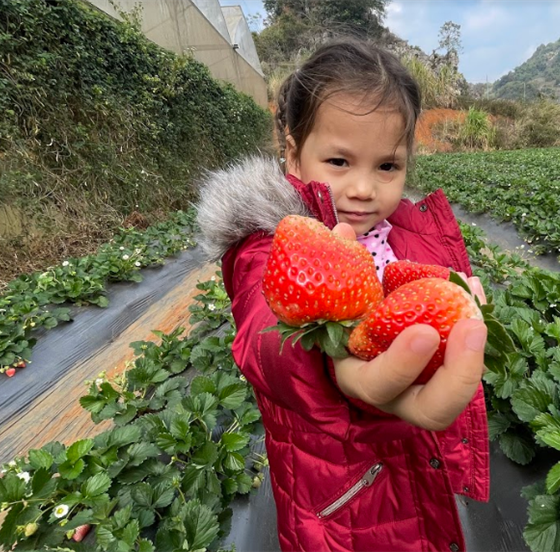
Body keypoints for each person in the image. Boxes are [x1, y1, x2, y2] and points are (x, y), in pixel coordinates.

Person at [195, 40, 490, 552]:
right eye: (338, 160)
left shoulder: (407, 235)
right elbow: (264, 336)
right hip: (339, 502)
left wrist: (451, 312)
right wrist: (336, 364)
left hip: (420, 465)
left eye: (387, 167)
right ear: (292, 151)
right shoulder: (270, 241)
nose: (362, 189)